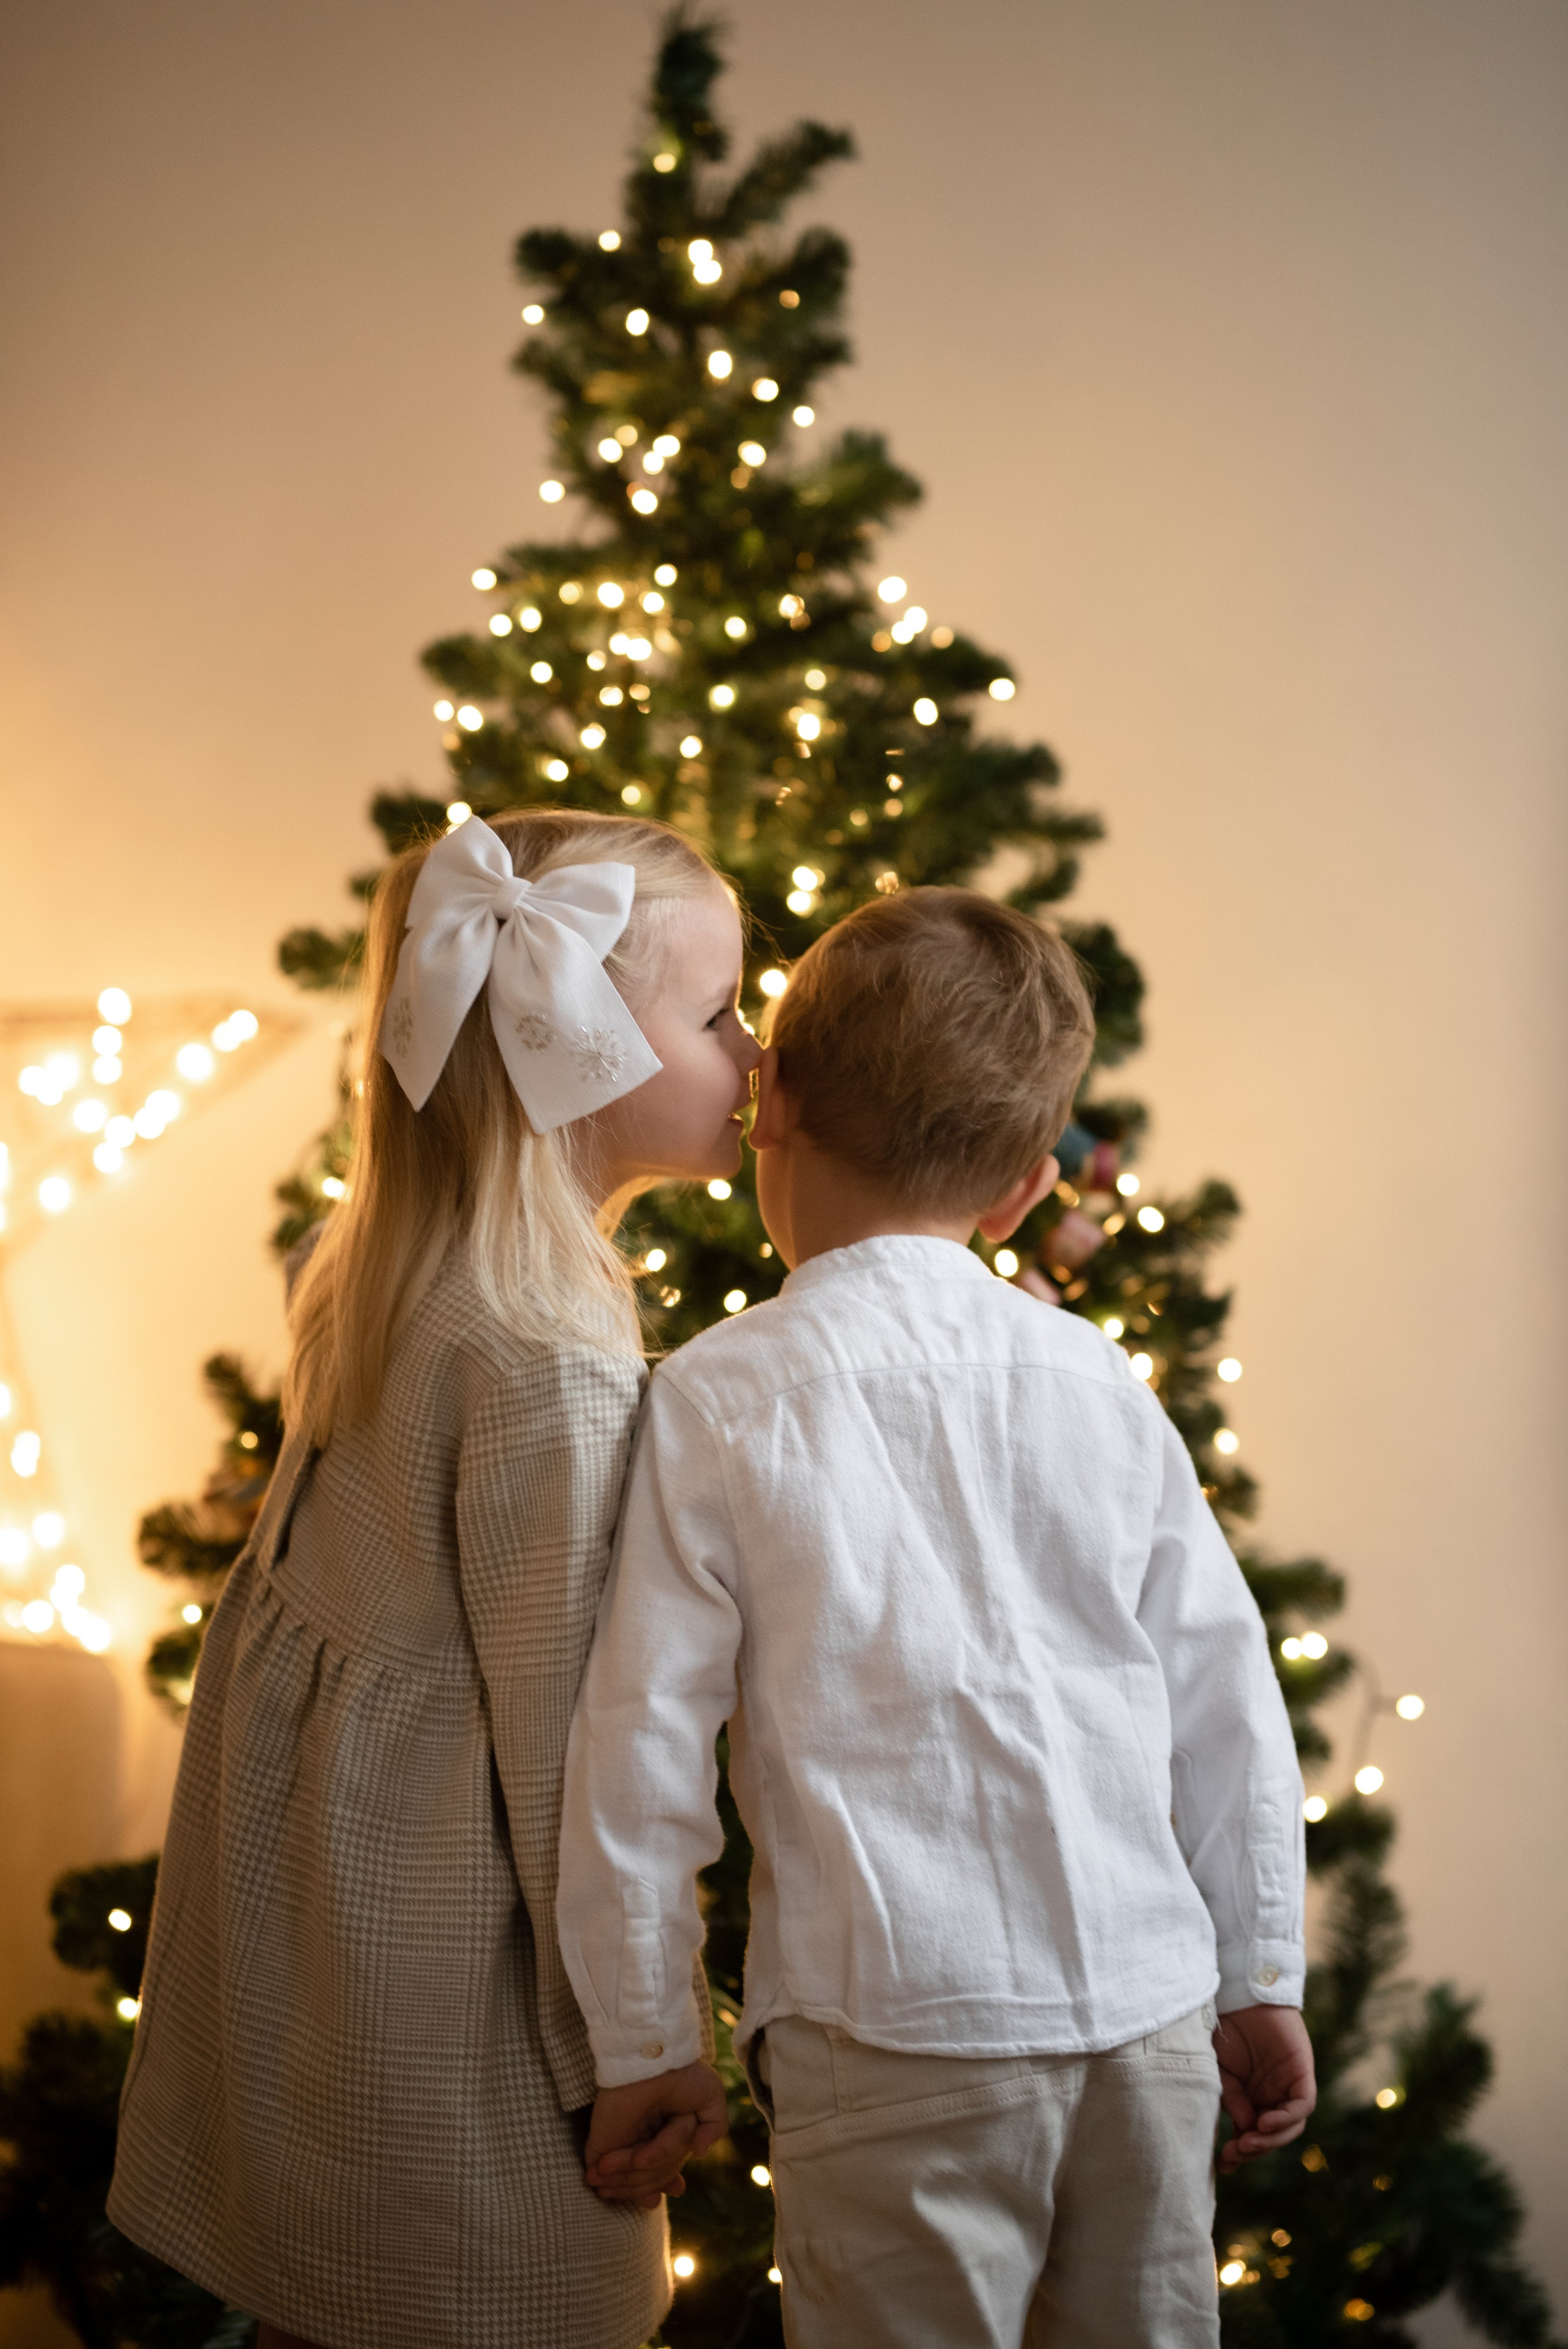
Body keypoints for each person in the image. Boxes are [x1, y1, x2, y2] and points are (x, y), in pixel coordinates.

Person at [557, 887, 1314, 2349]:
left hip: (888, 2030)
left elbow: (639, 1747)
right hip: (1144, 2015)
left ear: (765, 1102)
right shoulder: (1099, 1383)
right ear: (1026, 1190)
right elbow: (1225, 1700)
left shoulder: (713, 1396)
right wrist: (1255, 1970)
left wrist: (647, 2038)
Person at [109, 810, 748, 2349]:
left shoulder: (399, 1274)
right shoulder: (553, 1367)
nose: (753, 1050)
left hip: (320, 1942)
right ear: (573, 1035)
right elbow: (577, 1765)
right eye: (720, 1011)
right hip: (445, 1985)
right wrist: (642, 2045)